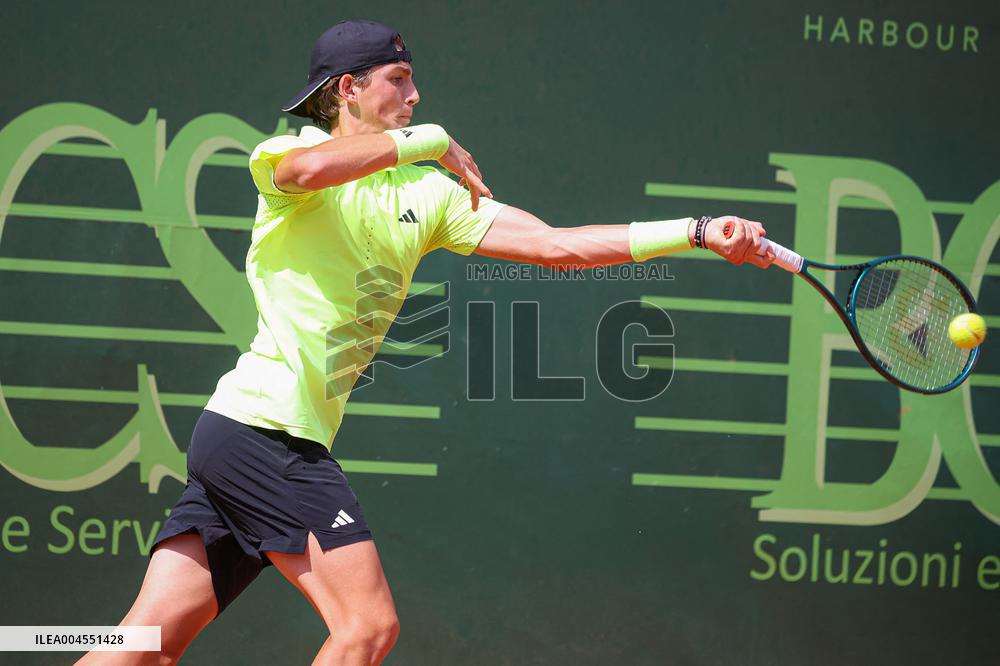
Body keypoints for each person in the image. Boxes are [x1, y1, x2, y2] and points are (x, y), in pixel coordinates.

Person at [79, 19, 773, 666]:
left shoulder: (430, 196)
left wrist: (696, 229)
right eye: (397, 79)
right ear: (348, 89)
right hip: (268, 433)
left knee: (143, 643)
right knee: (368, 627)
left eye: (413, 82)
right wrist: (433, 140)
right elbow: (310, 174)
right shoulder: (287, 155)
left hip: (241, 437)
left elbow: (555, 246)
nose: (415, 94)